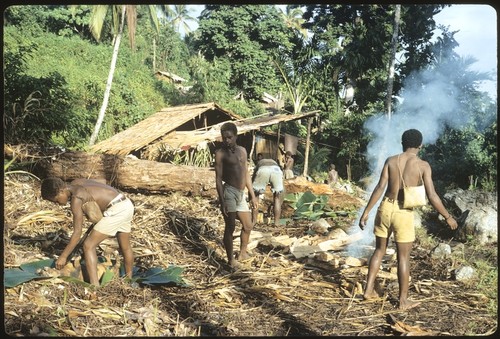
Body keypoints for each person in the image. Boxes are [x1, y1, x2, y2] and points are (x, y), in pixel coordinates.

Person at [358, 129, 458, 311]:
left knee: (379, 250)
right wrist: (448, 216)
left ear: (402, 143)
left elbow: (380, 187)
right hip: (403, 212)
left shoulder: (390, 160)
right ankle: (403, 301)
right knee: (403, 257)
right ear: (420, 145)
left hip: (385, 207)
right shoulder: (423, 165)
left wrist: (366, 212)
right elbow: (433, 195)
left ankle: (368, 290)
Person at [41, 177, 134, 286]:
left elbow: (77, 234)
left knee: (88, 245)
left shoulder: (76, 199)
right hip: (126, 203)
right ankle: (129, 281)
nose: (58, 204)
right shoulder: (77, 183)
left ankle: (94, 286)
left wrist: (63, 257)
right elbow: (102, 182)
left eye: (57, 200)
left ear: (61, 191)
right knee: (125, 247)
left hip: (116, 210)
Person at [215, 122, 258, 268]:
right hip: (229, 192)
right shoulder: (220, 154)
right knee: (230, 226)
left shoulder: (242, 151)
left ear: (235, 136)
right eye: (224, 137)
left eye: (229, 137)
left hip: (241, 193)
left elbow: (246, 173)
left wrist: (252, 195)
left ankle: (242, 253)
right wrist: (222, 201)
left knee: (248, 225)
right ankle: (230, 260)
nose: (226, 140)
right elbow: (218, 179)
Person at [252, 156, 284, 226]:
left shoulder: (259, 163)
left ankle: (253, 222)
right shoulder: (273, 162)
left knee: (256, 196)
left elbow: (253, 178)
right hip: (276, 170)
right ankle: (276, 223)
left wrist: (252, 193)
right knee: (277, 198)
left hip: (263, 170)